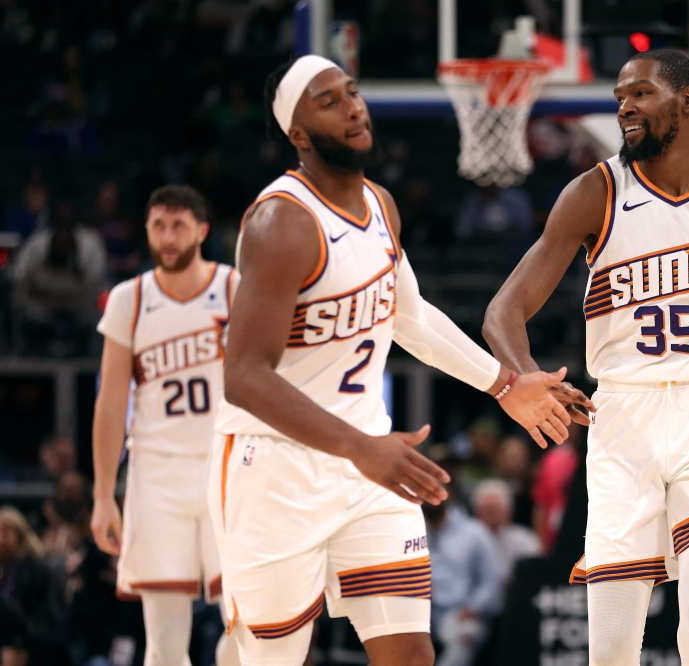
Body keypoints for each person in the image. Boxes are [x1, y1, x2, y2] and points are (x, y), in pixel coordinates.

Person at [208, 54, 583, 666]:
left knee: (410, 654)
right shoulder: (281, 223)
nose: (353, 106)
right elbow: (245, 376)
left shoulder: (380, 205)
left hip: (369, 464)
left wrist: (503, 384)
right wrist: (358, 446)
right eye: (328, 100)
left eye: (352, 91)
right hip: (273, 467)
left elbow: (408, 316)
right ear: (297, 134)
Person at [482, 49, 689, 666]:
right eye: (620, 96)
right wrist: (525, 378)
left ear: (687, 102)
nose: (624, 107)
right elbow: (503, 311)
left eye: (640, 94)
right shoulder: (593, 193)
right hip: (622, 419)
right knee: (611, 650)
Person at [90, 185, 239, 666]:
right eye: (159, 225)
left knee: (249, 631)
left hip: (229, 468)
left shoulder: (236, 288)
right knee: (165, 644)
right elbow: (112, 404)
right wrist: (101, 495)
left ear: (201, 230)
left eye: (178, 225)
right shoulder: (127, 299)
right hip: (157, 474)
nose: (168, 236)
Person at [12, 200, 107, 356]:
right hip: (43, 316)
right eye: (59, 243)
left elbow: (91, 297)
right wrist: (44, 307)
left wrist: (70, 306)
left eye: (66, 243)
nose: (62, 244)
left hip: (75, 317)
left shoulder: (82, 273)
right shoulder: (36, 268)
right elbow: (20, 295)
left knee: (94, 321)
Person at [424, 493, 504, 666]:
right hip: (420, 612)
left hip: (458, 612)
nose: (429, 498)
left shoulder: (474, 532)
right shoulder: (411, 530)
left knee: (466, 634)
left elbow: (491, 578)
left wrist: (474, 606)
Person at [0, 506, 63, 663]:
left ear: (20, 536)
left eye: (5, 532)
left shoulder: (37, 572)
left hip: (30, 646)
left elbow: (48, 618)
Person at [472, 479, 540, 583]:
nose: (492, 516)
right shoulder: (467, 540)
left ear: (509, 512)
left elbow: (535, 570)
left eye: (496, 510)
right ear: (477, 513)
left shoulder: (524, 539)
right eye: (488, 511)